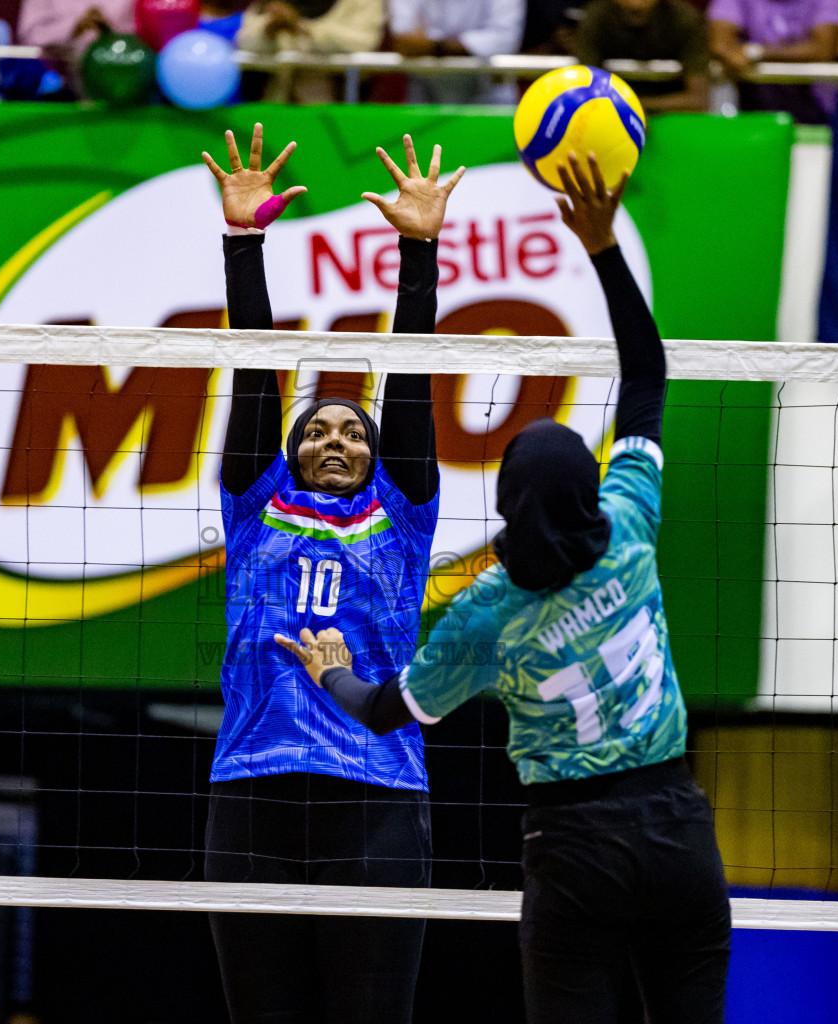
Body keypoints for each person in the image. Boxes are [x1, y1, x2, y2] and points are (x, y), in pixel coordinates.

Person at [276, 151, 731, 1024]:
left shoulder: (487, 612)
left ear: (510, 510)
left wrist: (331, 666)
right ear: (587, 493)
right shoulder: (628, 525)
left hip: (574, 843)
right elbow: (647, 377)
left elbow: (383, 713)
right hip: (677, 824)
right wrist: (600, 249)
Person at [198, 123, 462, 1024]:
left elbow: (416, 384)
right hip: (252, 791)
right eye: (317, 428)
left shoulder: (405, 511)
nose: (335, 437)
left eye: (354, 428)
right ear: (292, 451)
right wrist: (244, 242)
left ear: (378, 453)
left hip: (377, 796)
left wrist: (417, 250)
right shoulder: (252, 503)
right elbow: (253, 378)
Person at [707, 0, 838, 122]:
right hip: (751, 105)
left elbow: (825, 50)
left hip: (816, 108)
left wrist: (758, 53)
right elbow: (721, 45)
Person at [576, 0, 711, 113]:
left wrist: (638, 106)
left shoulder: (684, 18)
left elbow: (698, 100)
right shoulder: (596, 16)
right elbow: (587, 93)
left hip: (672, 120)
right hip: (608, 115)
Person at [235, 0, 383, 102]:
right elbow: (243, 40)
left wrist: (303, 28)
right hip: (274, 105)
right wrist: (267, 31)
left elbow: (362, 43)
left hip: (334, 109)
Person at [388, 0, 526, 104]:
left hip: (488, 95)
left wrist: (435, 47)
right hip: (426, 94)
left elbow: (504, 40)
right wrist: (466, 45)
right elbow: (404, 42)